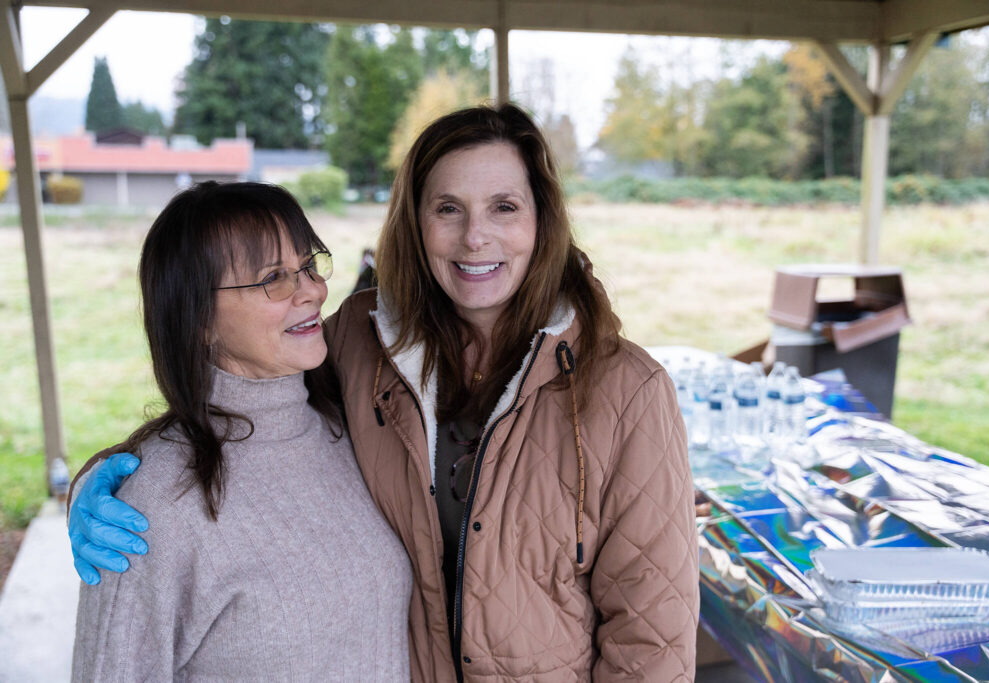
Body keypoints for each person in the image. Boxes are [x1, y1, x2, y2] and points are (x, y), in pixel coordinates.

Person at [70, 105, 699, 681]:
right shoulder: (360, 343)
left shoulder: (627, 391)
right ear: (417, 222)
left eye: (504, 207)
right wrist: (110, 484)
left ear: (542, 220)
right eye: (448, 208)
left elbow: (653, 638)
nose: (475, 237)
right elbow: (250, 409)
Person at [69, 182, 412, 681]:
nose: (314, 289)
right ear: (198, 318)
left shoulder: (355, 425)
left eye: (308, 264)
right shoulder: (147, 511)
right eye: (273, 278)